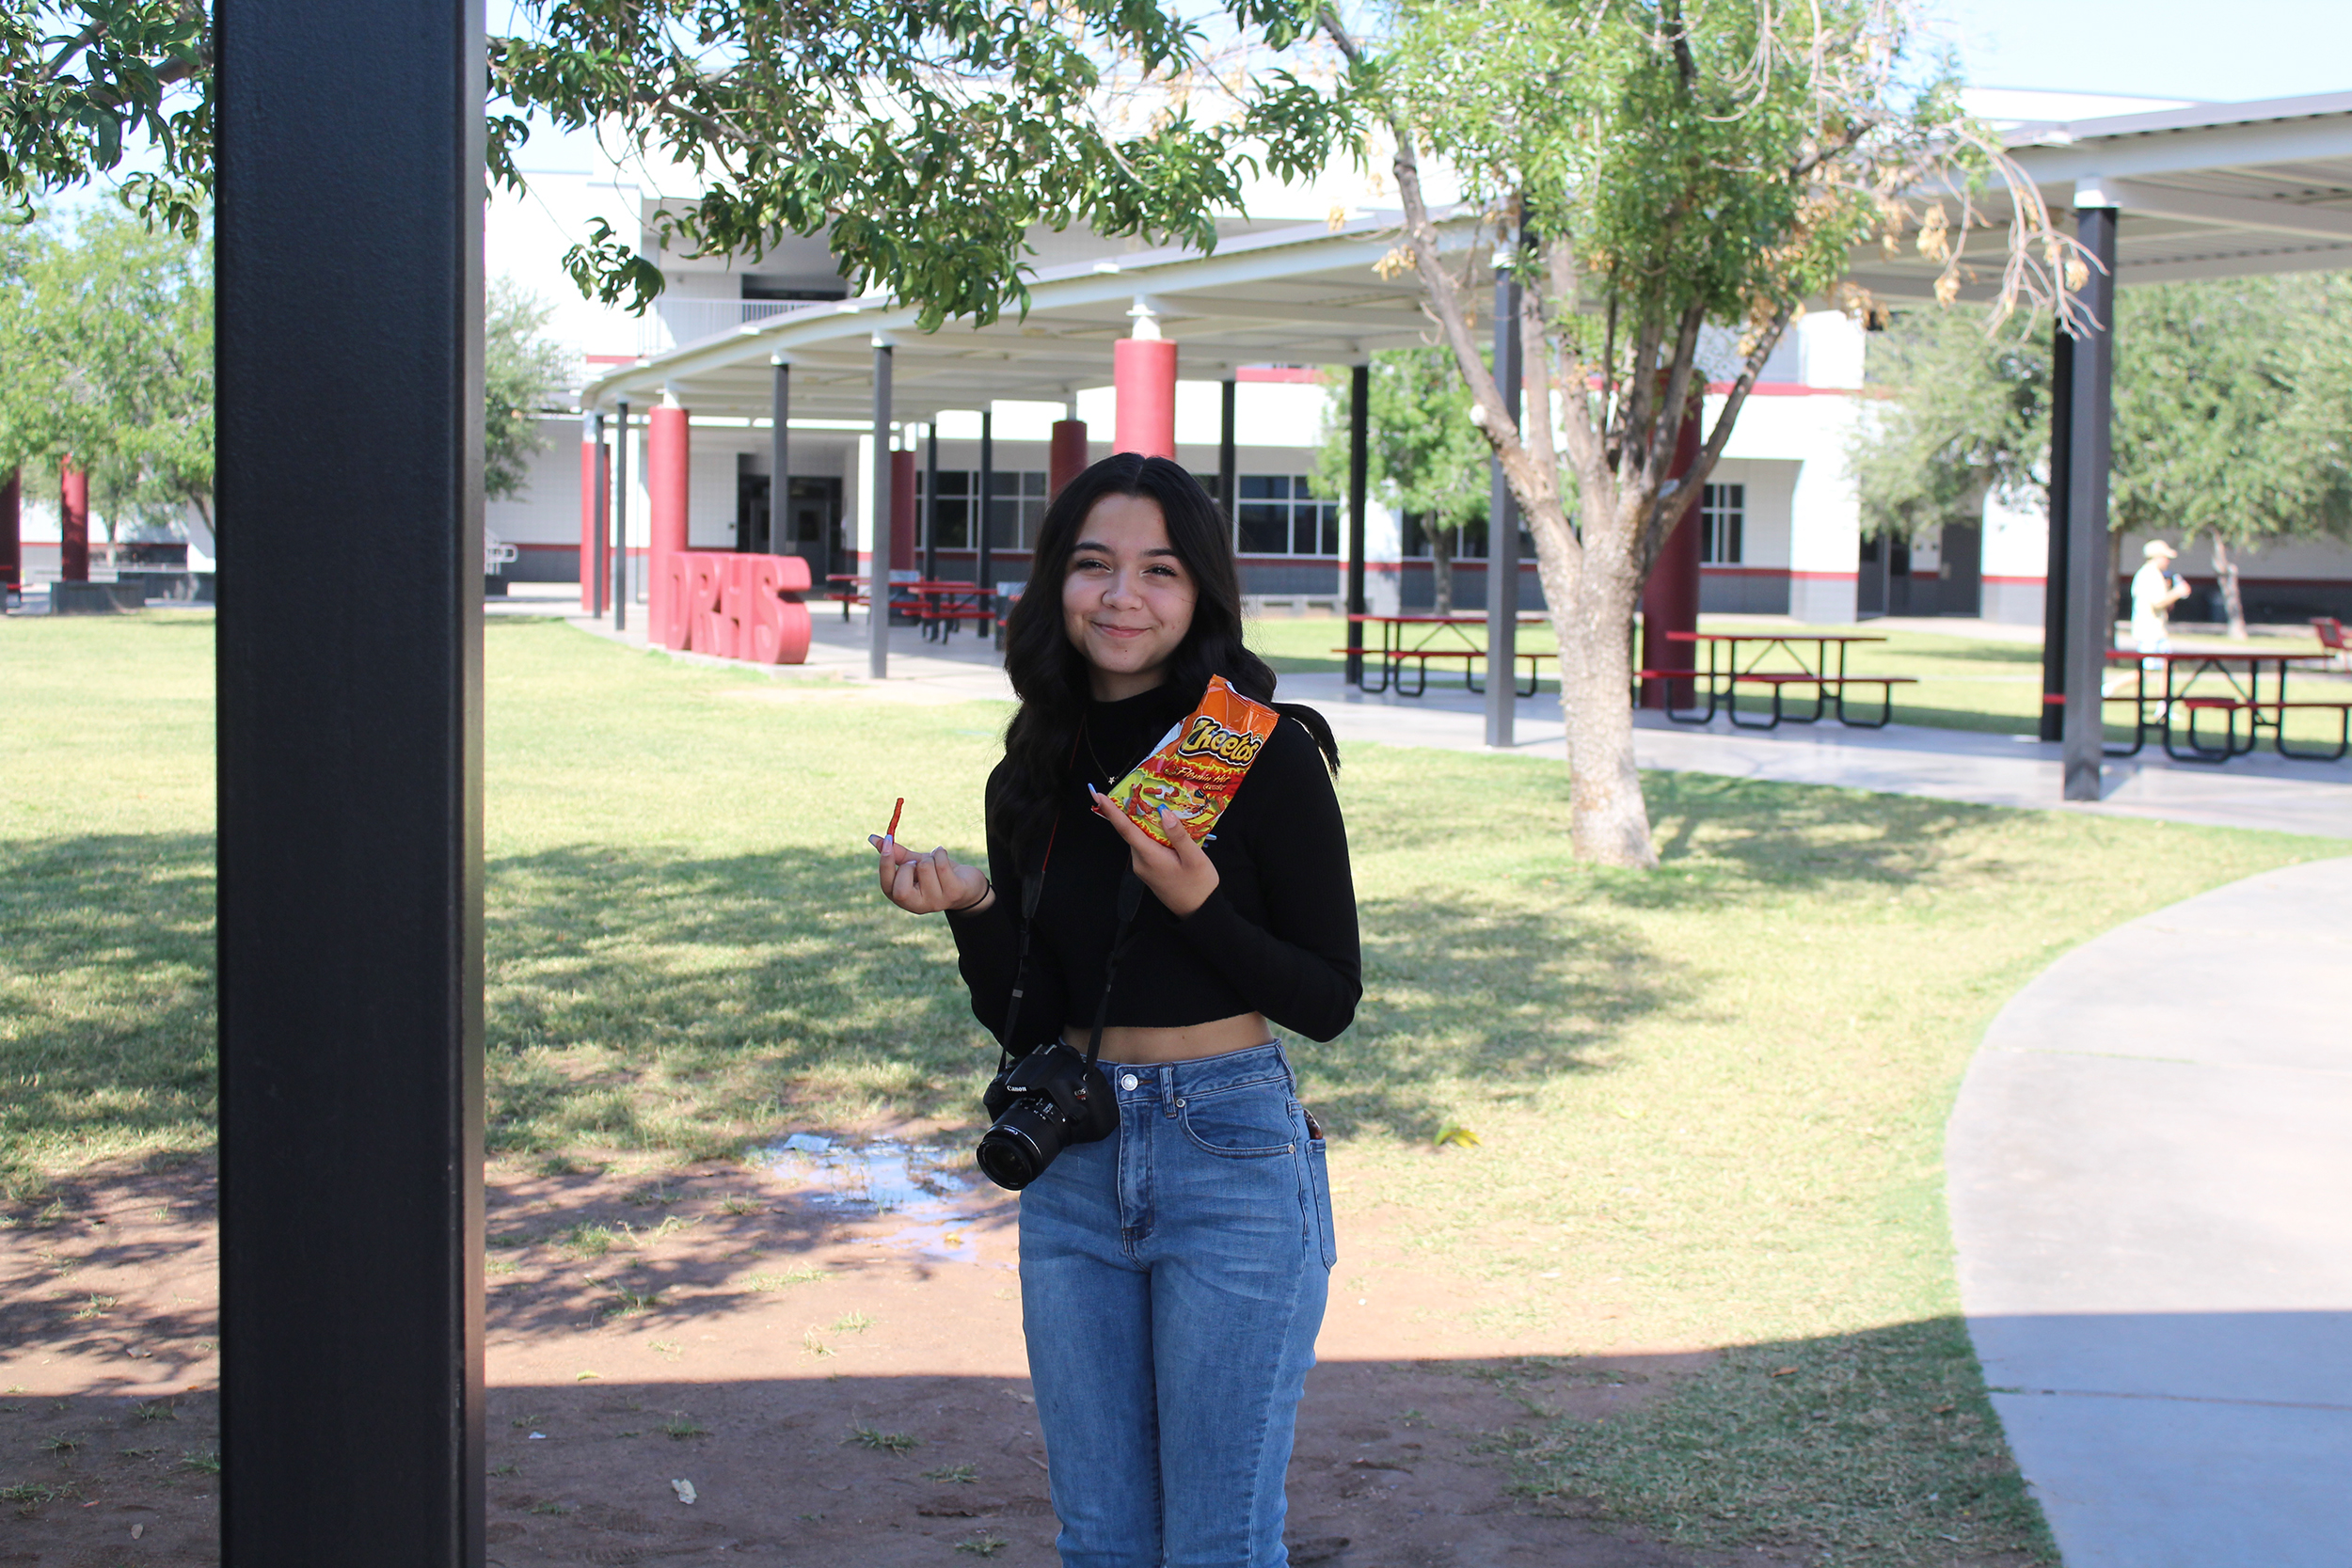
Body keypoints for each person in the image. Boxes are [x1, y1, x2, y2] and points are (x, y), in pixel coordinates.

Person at [868, 452, 1359, 1568]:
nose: (1121, 596)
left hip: (1227, 1148)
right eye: (1094, 566)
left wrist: (1202, 906)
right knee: (1101, 1539)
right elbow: (1029, 1013)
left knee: (1219, 1542)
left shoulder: (1260, 750)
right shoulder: (1031, 772)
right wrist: (974, 906)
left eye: (1158, 570)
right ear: (1056, 584)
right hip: (1074, 1157)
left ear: (1200, 595)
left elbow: (1327, 998)